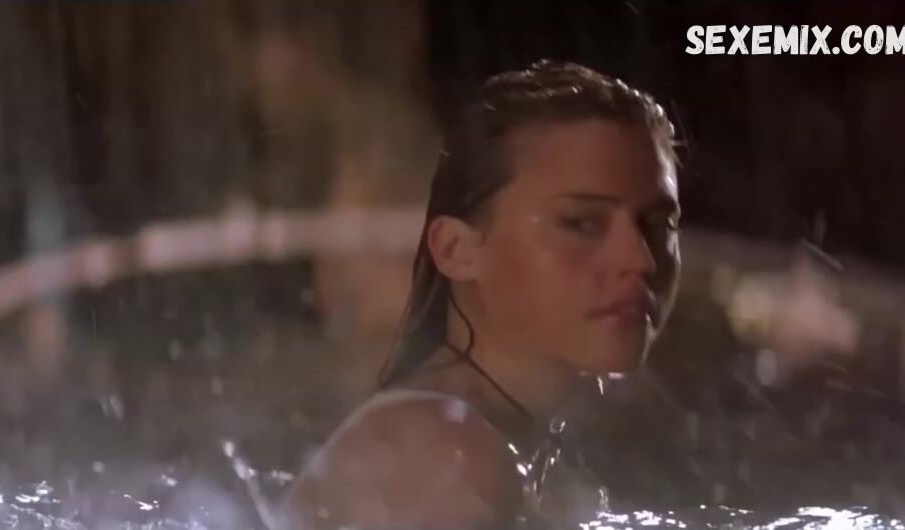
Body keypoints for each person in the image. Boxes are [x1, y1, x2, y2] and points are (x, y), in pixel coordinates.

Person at [276, 60, 683, 529]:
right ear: (457, 250)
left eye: (657, 225)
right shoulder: (440, 460)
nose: (640, 259)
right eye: (581, 223)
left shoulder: (499, 440)